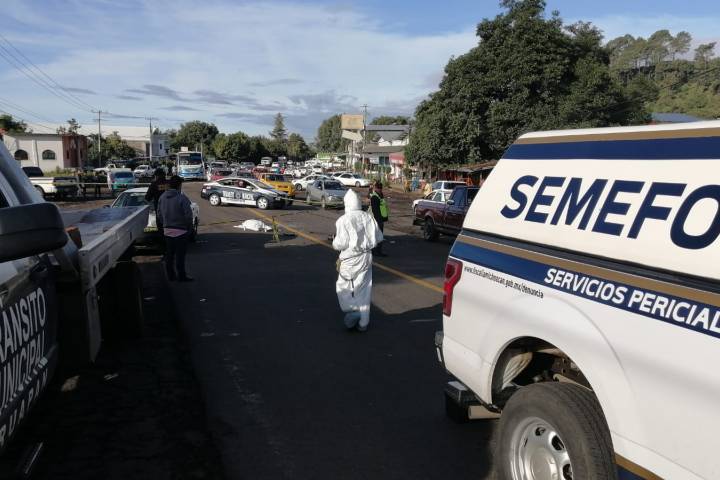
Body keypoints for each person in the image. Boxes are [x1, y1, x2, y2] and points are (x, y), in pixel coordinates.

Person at [333, 190, 383, 332]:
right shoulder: (368, 217)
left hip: (350, 259)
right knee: (364, 289)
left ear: (347, 204)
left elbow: (340, 244)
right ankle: (363, 323)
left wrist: (334, 241)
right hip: (366, 257)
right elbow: (379, 238)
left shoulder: (343, 220)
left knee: (343, 287)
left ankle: (353, 310)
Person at [157, 176, 194, 282]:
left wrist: (165, 223)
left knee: (169, 255)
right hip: (181, 230)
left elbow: (159, 213)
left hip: (167, 230)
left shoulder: (162, 197)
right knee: (180, 256)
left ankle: (170, 276)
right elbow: (188, 215)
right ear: (179, 185)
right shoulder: (182, 198)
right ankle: (181, 276)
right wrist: (189, 227)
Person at [369, 181, 389, 257]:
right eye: (379, 188)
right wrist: (378, 220)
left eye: (381, 188)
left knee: (378, 236)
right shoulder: (374, 197)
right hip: (377, 219)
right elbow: (375, 211)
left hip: (380, 218)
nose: (380, 189)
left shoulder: (380, 195)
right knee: (377, 236)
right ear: (376, 188)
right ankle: (376, 251)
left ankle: (377, 251)